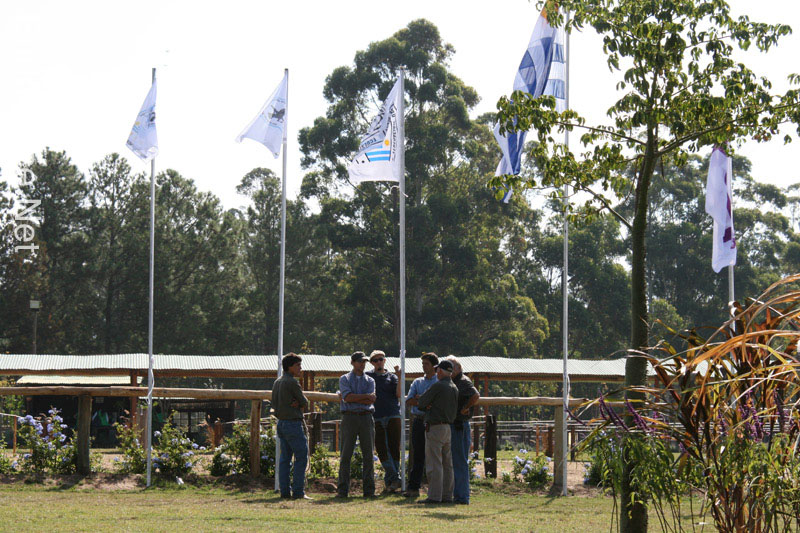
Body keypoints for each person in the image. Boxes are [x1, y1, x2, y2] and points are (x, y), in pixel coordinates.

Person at [417, 358, 459, 503]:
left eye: (437, 370)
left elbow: (421, 403)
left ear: (440, 371)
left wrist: (429, 405)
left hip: (435, 427)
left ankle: (434, 496)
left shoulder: (438, 386)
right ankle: (447, 496)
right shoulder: (454, 387)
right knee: (447, 464)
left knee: (434, 463)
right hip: (448, 427)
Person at [270, 353, 311, 500]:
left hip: (281, 423)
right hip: (293, 423)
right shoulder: (292, 382)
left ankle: (285, 492)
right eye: (298, 365)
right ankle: (298, 491)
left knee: (284, 459)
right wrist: (298, 403)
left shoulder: (277, 382)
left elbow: (273, 404)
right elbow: (304, 401)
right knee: (301, 457)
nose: (300, 368)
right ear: (290, 367)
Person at [336, 351, 376, 498]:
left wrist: (356, 398)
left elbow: (371, 400)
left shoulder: (370, 381)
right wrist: (365, 397)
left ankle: (369, 490)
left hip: (366, 417)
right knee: (346, 454)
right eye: (360, 361)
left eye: (364, 362)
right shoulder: (344, 379)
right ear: (352, 362)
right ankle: (342, 490)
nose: (362, 364)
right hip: (349, 418)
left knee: (368, 454)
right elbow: (347, 397)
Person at [403, 352, 439, 498]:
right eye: (423, 364)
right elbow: (409, 400)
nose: (424, 367)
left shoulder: (439, 383)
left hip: (433, 422)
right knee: (418, 455)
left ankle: (436, 489)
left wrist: (421, 399)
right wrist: (425, 402)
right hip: (418, 421)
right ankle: (413, 487)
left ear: (434, 366)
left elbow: (437, 403)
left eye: (426, 364)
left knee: (435, 456)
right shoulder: (417, 382)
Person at [366, 349, 402, 493]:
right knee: (381, 448)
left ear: (385, 360)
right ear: (372, 363)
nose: (378, 362)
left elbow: (398, 394)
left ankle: (391, 483)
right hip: (376, 416)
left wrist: (399, 377)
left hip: (393, 414)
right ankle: (395, 478)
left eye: (381, 359)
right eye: (375, 360)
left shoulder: (392, 377)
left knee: (394, 448)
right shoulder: (368, 376)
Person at [446, 355, 480, 505]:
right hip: (452, 425)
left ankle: (462, 497)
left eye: (452, 367)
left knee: (460, 462)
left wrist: (465, 408)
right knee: (454, 461)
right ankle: (457, 495)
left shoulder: (464, 381)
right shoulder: (452, 381)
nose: (450, 370)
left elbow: (475, 395)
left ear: (459, 369)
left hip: (460, 426)